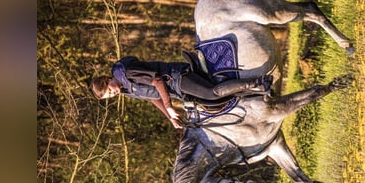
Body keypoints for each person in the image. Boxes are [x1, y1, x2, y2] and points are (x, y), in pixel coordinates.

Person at [91, 56, 271, 129]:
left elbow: (157, 81)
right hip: (177, 92)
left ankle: (258, 83)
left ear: (107, 80)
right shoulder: (125, 90)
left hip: (177, 78)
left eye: (110, 90)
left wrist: (169, 106)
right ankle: (251, 98)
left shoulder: (127, 73)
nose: (113, 94)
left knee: (211, 93)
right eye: (109, 96)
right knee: (208, 108)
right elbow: (152, 98)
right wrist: (169, 117)